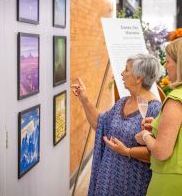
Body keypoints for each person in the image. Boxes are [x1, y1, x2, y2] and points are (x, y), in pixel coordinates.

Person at [71, 53, 162, 196]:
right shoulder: (122, 102)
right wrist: (84, 98)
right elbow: (100, 124)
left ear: (139, 78)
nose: (121, 73)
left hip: (132, 183)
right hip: (107, 179)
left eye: (126, 70)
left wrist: (127, 151)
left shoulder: (155, 109)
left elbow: (158, 152)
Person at [135, 38, 182, 196]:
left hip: (170, 180)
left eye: (168, 61)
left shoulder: (175, 99)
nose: (165, 66)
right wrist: (157, 124)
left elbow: (161, 152)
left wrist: (146, 135)